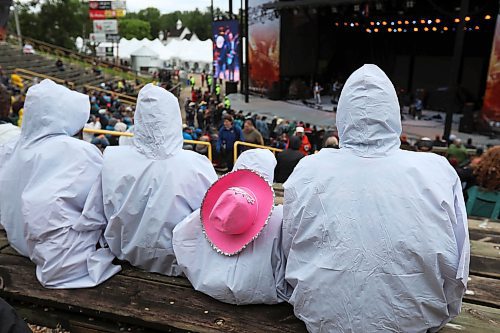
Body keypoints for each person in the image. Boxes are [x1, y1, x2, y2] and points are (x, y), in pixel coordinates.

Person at [282, 65, 469, 332]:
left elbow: (290, 247)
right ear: (393, 112)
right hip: (415, 323)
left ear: (343, 114)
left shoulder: (309, 170)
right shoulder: (437, 171)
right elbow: (458, 271)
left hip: (320, 318)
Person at [0, 79, 121, 288]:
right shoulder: (75, 152)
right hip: (60, 258)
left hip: (18, 242)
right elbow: (102, 206)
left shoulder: (14, 147)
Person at [98, 84, 218, 276]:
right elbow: (213, 218)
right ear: (174, 118)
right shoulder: (196, 165)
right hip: (180, 262)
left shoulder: (112, 158)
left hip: (123, 256)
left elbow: (95, 214)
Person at [172, 149, 290, 305]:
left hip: (204, 287)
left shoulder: (208, 211)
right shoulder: (278, 219)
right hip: (257, 295)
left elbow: (182, 238)